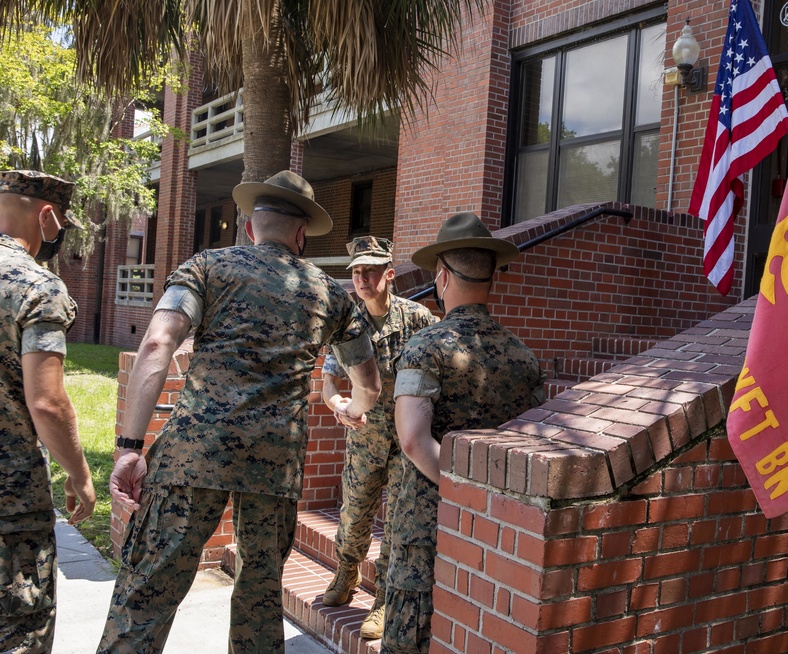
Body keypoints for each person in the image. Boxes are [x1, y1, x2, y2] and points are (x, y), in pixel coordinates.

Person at [97, 170, 381, 654]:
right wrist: (351, 408)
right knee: (260, 594)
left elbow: (157, 343)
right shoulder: (332, 294)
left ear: (250, 227)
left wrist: (129, 447)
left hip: (191, 453)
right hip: (275, 463)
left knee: (148, 588)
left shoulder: (206, 267)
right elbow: (369, 383)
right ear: (300, 235)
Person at [382, 212, 546, 653]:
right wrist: (482, 497)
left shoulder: (425, 347)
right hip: (495, 525)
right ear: (492, 276)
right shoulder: (524, 357)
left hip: (427, 520)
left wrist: (460, 491)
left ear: (441, 275)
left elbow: (414, 441)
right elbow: (530, 443)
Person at [319, 236, 437, 640]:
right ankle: (346, 574)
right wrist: (339, 404)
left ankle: (384, 599)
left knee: (398, 523)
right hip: (365, 439)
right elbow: (328, 382)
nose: (362, 279)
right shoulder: (348, 323)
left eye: (370, 271)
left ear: (389, 273)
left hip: (408, 439)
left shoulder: (418, 318)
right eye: (356, 272)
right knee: (353, 517)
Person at [0, 169, 96, 653]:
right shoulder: (37, 286)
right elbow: (47, 401)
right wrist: (79, 474)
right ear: (47, 216)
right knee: (20, 630)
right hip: (10, 501)